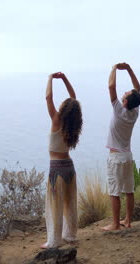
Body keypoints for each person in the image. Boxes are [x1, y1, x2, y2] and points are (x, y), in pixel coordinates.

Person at [42, 72, 83, 248]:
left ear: (64, 108)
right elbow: (74, 99)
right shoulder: (72, 122)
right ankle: (70, 235)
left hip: (57, 168)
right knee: (69, 203)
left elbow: (48, 98)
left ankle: (54, 241)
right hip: (69, 167)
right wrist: (65, 79)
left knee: (55, 206)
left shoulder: (57, 120)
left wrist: (50, 78)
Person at [102, 62, 140, 231]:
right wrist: (129, 70)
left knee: (114, 191)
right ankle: (128, 220)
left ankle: (115, 224)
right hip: (127, 156)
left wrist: (114, 68)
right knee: (129, 190)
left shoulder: (119, 110)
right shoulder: (135, 112)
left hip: (116, 157)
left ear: (124, 102)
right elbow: (137, 89)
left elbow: (111, 86)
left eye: (125, 94)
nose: (124, 92)